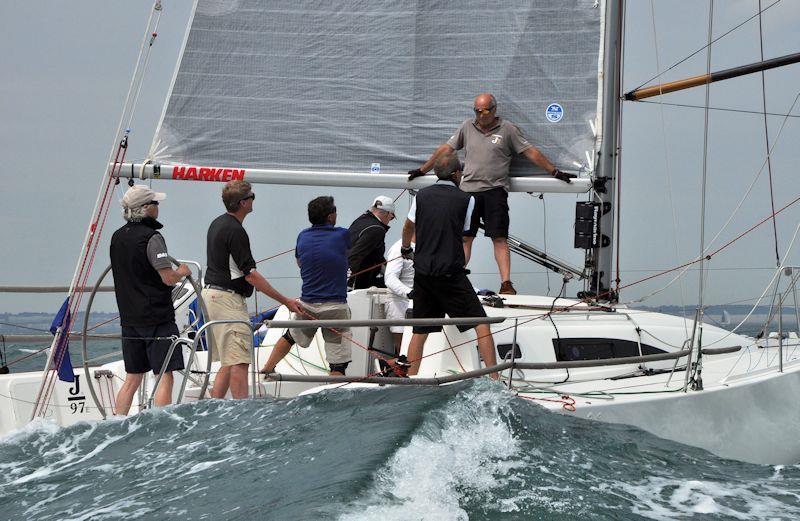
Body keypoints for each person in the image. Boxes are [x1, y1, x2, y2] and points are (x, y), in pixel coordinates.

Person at [408, 93, 576, 295]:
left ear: (494, 109)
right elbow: (445, 149)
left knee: (499, 237)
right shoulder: (467, 127)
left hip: (494, 191)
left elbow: (530, 152)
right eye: (477, 111)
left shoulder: (508, 129)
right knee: (465, 238)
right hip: (468, 191)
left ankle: (506, 283)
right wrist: (422, 170)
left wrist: (554, 171)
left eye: (485, 111)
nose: (480, 115)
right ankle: (457, 275)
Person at [402, 151, 499, 379]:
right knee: (481, 323)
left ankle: (409, 378)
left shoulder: (421, 196)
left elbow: (408, 226)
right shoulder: (468, 199)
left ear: (436, 173)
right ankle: (494, 378)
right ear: (457, 174)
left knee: (420, 330)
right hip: (451, 273)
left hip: (423, 273)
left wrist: (406, 248)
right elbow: (465, 237)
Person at [204, 180, 302, 399]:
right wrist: (285, 300)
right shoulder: (236, 231)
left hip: (213, 295)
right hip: (227, 299)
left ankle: (213, 406)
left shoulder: (216, 223)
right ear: (242, 203)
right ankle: (243, 413)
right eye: (252, 197)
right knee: (239, 360)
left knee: (229, 361)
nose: (253, 200)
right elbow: (251, 275)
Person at [110, 184, 191, 415]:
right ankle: (160, 426)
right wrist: (182, 272)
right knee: (164, 374)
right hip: (156, 317)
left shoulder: (117, 238)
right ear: (146, 208)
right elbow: (167, 278)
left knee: (133, 378)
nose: (158, 206)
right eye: (155, 203)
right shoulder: (152, 238)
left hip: (129, 319)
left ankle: (117, 423)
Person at [260, 196, 353, 375]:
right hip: (335, 307)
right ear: (330, 216)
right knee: (338, 365)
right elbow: (349, 252)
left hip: (307, 305)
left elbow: (300, 262)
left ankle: (267, 368)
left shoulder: (302, 236)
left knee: (289, 336)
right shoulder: (342, 234)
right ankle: (335, 387)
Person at [347, 195, 395, 289]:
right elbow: (355, 255)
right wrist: (349, 283)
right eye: (392, 216)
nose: (391, 219)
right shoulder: (377, 230)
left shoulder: (360, 220)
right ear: (387, 213)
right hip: (358, 281)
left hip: (343, 273)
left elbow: (378, 257)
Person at [384, 237, 415, 355]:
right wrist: (410, 293)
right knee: (403, 352)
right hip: (399, 305)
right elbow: (390, 279)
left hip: (421, 304)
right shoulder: (398, 248)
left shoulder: (429, 246)